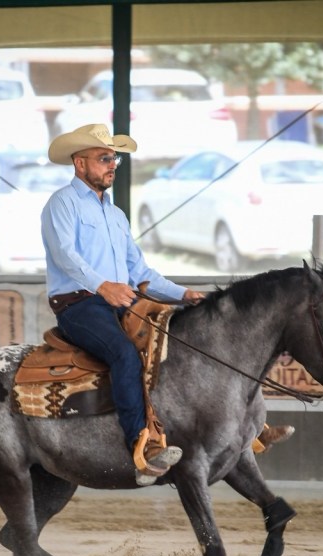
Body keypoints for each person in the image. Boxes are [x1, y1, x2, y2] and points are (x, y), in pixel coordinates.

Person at [41, 123, 207, 486]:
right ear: (80, 163)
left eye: (114, 159)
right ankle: (141, 446)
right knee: (124, 354)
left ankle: (230, 429)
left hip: (120, 300)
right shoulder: (62, 203)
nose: (112, 165)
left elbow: (139, 271)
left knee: (179, 343)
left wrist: (183, 294)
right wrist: (103, 287)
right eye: (104, 158)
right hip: (78, 305)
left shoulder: (115, 215)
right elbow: (65, 255)